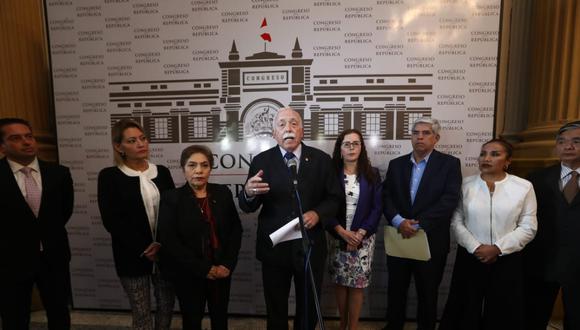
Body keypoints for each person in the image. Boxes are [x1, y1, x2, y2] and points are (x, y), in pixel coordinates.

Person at [238, 107, 341, 330]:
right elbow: (248, 205)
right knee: (276, 308)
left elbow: (335, 199)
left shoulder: (321, 160)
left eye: (294, 123)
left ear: (302, 131)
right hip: (275, 249)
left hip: (310, 247)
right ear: (274, 133)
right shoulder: (261, 161)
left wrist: (317, 213)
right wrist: (247, 192)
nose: (288, 128)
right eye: (282, 124)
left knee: (308, 308)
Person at [439, 139, 537, 330]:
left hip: (508, 258)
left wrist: (498, 248)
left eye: (495, 154)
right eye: (483, 153)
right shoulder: (465, 185)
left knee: (504, 309)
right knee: (465, 307)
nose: (486, 158)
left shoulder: (523, 187)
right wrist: (476, 247)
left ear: (508, 161)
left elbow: (528, 226)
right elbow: (457, 221)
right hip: (471, 255)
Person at [381, 117, 462, 330]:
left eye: (426, 133)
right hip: (399, 237)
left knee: (428, 292)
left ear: (436, 138)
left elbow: (449, 200)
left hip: (431, 240)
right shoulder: (396, 164)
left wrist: (417, 224)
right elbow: (386, 196)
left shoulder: (449, 164)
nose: (420, 137)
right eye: (416, 132)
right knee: (396, 289)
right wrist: (399, 221)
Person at [97, 119, 175, 330]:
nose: (141, 144)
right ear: (118, 146)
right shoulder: (109, 177)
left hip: (165, 253)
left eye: (143, 138)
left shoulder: (163, 172)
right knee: (141, 312)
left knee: (166, 307)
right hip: (131, 254)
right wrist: (144, 248)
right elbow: (112, 220)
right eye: (132, 140)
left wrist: (161, 244)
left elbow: (172, 212)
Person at [157, 145, 242, 330]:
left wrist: (227, 264)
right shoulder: (171, 198)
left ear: (210, 168)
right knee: (192, 321)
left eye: (204, 165)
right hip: (189, 273)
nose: (199, 170)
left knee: (220, 319)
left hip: (221, 271)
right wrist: (204, 268)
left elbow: (236, 230)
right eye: (192, 165)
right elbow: (170, 241)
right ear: (183, 168)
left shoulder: (223, 193)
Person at [0, 118, 74, 330]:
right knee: (14, 317)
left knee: (59, 313)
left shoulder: (59, 173)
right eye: (16, 138)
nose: (26, 142)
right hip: (10, 260)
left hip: (54, 256)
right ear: (2, 147)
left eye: (29, 136)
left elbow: (64, 212)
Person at [523, 120, 580, 330]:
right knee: (533, 318)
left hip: (578, 265)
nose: (568, 146)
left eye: (576, 141)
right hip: (543, 263)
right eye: (562, 142)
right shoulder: (537, 179)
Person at [325, 129, 382, 330]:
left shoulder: (372, 174)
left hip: (363, 240)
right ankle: (342, 325)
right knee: (340, 283)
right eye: (346, 144)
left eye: (355, 143)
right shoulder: (330, 174)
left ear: (362, 148)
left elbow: (377, 208)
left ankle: (354, 327)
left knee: (357, 285)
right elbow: (324, 206)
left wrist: (359, 234)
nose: (351, 148)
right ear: (340, 149)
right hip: (337, 236)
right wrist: (341, 232)